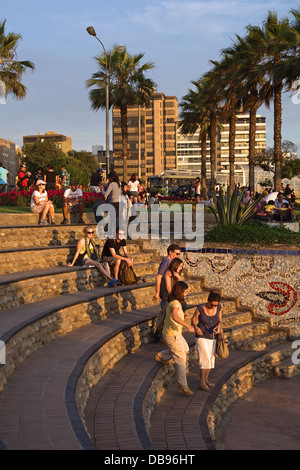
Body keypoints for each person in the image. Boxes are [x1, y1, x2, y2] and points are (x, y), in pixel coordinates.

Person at [155, 281, 195, 396]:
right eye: (185, 291)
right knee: (181, 360)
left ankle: (163, 355)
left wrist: (184, 316)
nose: (186, 294)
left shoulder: (172, 301)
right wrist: (187, 325)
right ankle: (182, 386)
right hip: (172, 335)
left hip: (175, 334)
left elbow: (174, 315)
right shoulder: (176, 303)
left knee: (186, 349)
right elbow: (174, 316)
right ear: (180, 291)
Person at [192, 291, 222, 391]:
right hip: (201, 335)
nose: (213, 307)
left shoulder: (219, 307)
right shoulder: (200, 307)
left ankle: (206, 380)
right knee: (204, 359)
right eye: (212, 305)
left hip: (212, 336)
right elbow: (193, 319)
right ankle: (202, 382)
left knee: (210, 359)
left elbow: (220, 320)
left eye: (215, 305)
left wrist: (219, 326)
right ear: (208, 301)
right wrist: (195, 327)